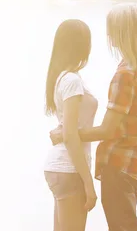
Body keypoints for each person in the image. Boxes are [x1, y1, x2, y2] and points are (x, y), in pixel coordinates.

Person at [50, 4, 137, 231]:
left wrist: (66, 134)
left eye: (111, 31)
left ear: (121, 34)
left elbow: (107, 130)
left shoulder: (125, 74)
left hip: (119, 166)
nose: (109, 37)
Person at [43, 19, 99, 231]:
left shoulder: (62, 78)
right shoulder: (72, 81)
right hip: (69, 169)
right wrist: (88, 182)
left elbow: (68, 131)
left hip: (59, 168)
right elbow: (69, 135)